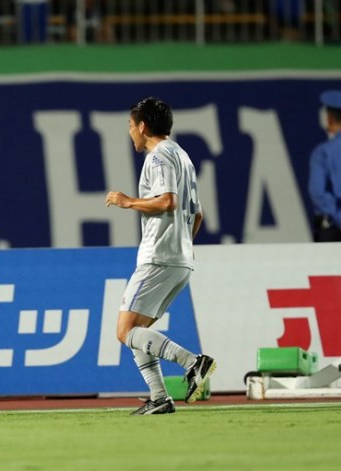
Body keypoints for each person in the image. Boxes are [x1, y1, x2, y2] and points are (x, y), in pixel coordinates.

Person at [105, 96, 216, 415]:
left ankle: (193, 362)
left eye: (130, 126)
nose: (130, 132)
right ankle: (160, 398)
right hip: (179, 259)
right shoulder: (182, 156)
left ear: (142, 126)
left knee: (125, 331)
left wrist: (128, 202)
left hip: (159, 257)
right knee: (137, 333)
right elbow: (198, 215)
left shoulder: (159, 156)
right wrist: (181, 246)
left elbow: (167, 201)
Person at [308, 90, 341, 242]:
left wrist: (337, 216)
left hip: (333, 227)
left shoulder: (323, 152)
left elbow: (317, 192)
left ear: (329, 118)